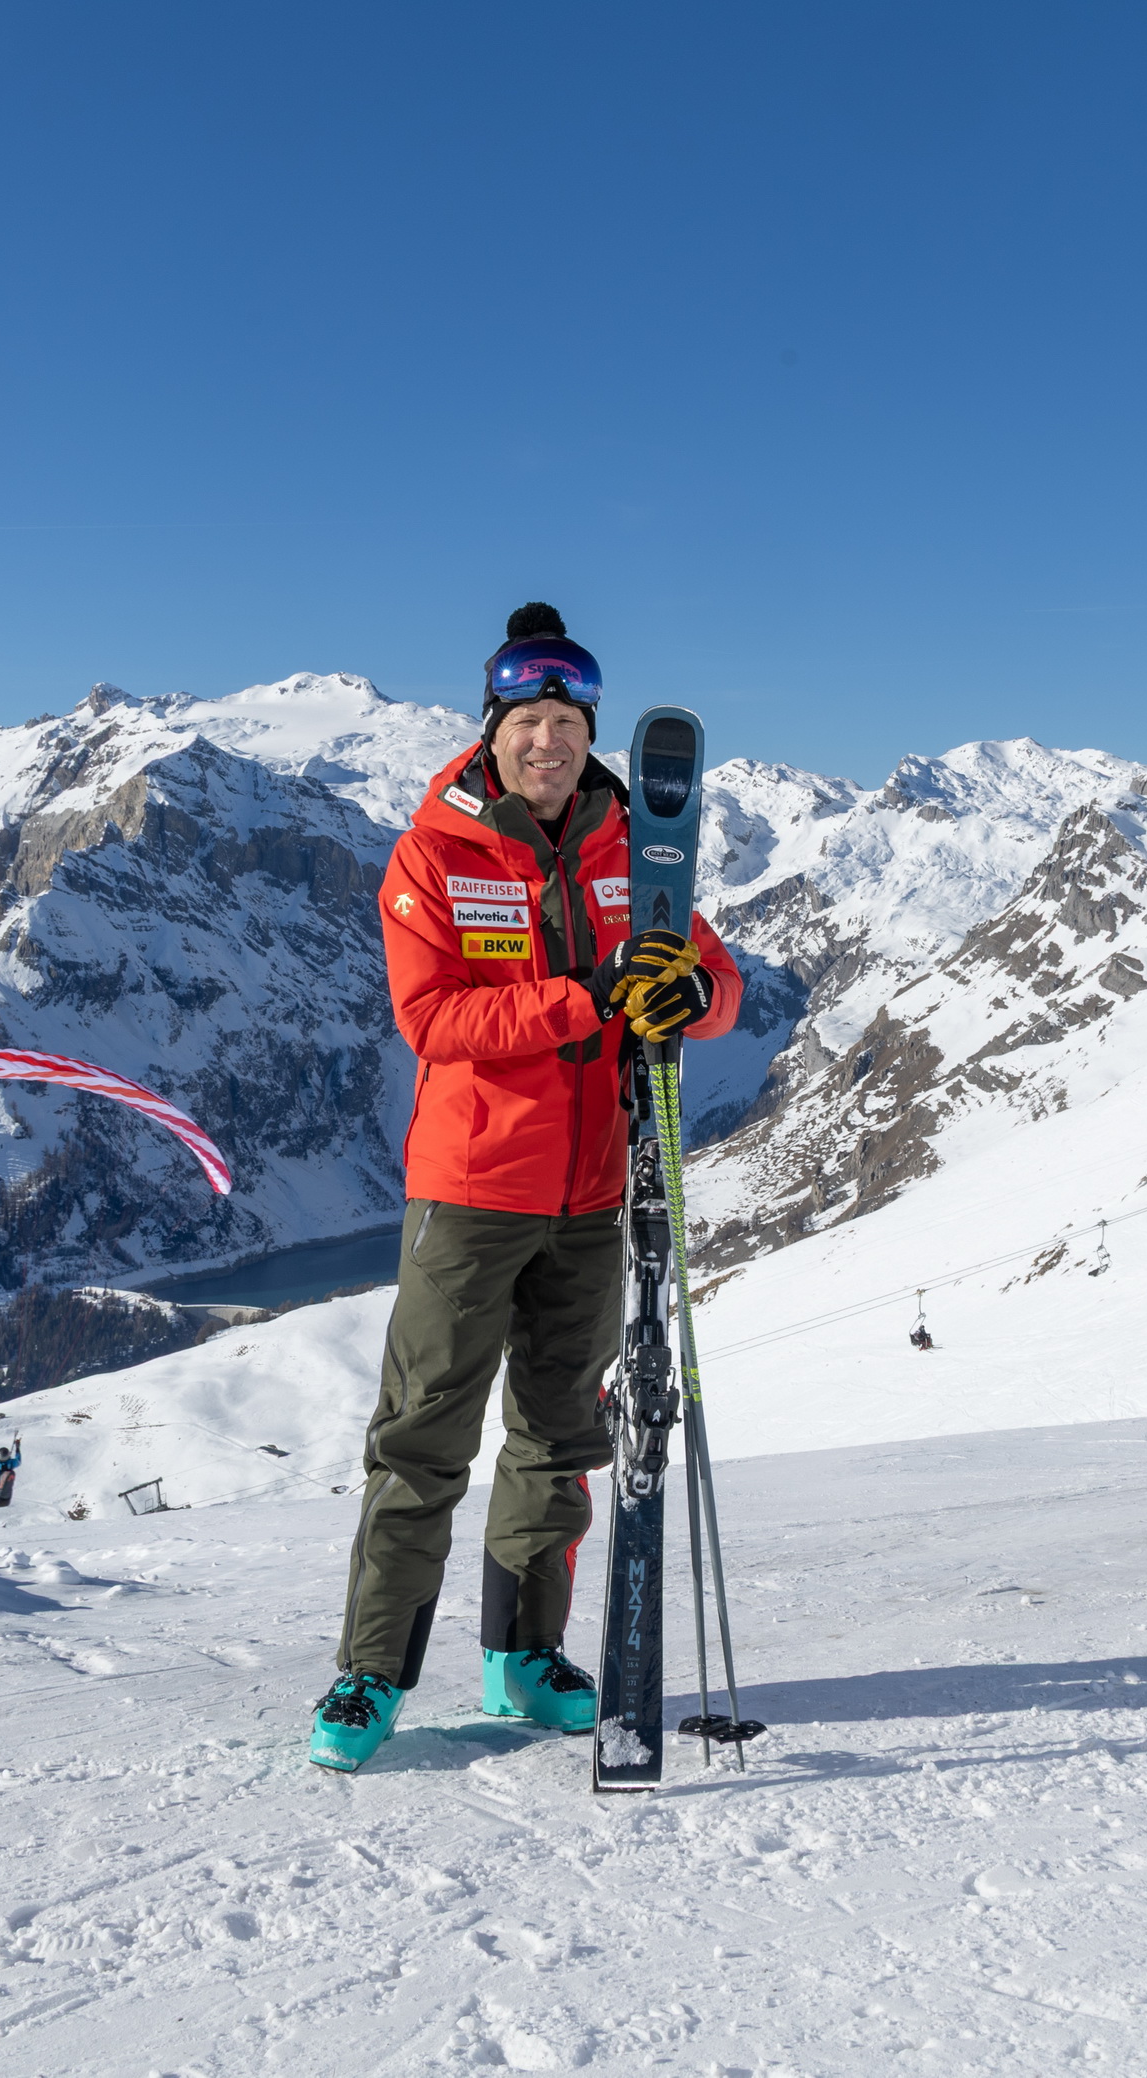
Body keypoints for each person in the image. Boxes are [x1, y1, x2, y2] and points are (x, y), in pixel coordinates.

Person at [310, 603, 743, 1774]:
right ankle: (371, 1669)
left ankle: (526, 1653)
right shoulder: (436, 853)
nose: (548, 742)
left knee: (560, 1435)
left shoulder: (629, 844)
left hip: (595, 1190)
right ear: (492, 727)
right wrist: (588, 999)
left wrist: (686, 998)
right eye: (527, 721)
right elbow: (432, 1019)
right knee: (422, 1438)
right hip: (470, 1187)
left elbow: (718, 975)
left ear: (587, 730)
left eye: (566, 721)